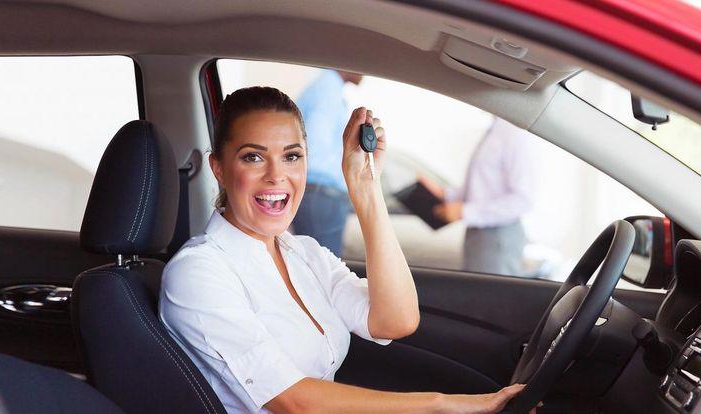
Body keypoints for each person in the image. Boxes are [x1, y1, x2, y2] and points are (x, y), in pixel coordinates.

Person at [159, 87, 532, 413]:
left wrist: (366, 188)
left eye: (292, 156)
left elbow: (396, 320)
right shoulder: (199, 272)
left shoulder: (304, 254)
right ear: (219, 168)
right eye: (253, 157)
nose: (276, 175)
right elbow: (296, 402)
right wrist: (441, 405)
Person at [426, 116, 535, 276]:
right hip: (478, 233)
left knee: (492, 292)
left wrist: (465, 211)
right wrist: (446, 194)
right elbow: (481, 187)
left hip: (497, 236)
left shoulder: (515, 133)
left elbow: (522, 200)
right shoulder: (495, 129)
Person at [291, 69, 363, 256]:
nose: (366, 72)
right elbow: (314, 151)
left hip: (320, 195)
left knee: (321, 265)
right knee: (324, 268)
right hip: (321, 193)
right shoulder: (327, 90)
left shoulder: (327, 87)